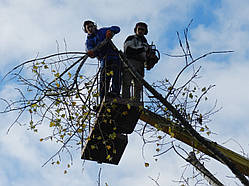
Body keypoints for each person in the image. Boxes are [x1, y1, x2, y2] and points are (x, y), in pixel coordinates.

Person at [83, 20, 122, 101]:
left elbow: (117, 28)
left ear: (94, 26)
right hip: (104, 60)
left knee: (116, 76)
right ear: (86, 30)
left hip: (114, 57)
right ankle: (103, 99)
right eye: (88, 27)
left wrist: (110, 31)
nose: (90, 28)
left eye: (91, 26)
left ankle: (115, 93)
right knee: (104, 80)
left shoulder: (102, 31)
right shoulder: (89, 41)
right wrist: (91, 52)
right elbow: (90, 51)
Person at [122, 22, 149, 102]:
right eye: (139, 29)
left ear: (145, 31)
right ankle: (125, 100)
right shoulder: (130, 38)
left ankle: (137, 102)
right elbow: (128, 50)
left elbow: (146, 56)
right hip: (130, 62)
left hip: (140, 65)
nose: (140, 31)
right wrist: (142, 49)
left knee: (138, 85)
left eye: (142, 30)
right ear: (136, 30)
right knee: (127, 82)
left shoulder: (145, 42)